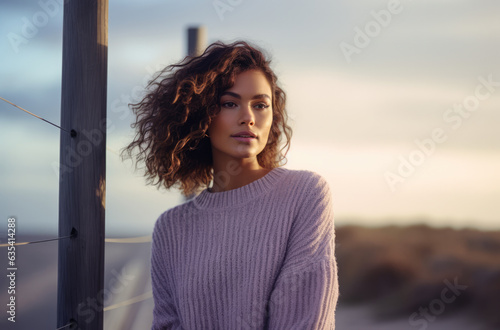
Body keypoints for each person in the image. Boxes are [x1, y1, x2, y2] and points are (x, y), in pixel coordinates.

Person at [122, 40, 339, 329]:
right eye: (230, 103)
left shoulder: (304, 194)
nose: (248, 118)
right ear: (200, 116)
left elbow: (305, 318)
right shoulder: (171, 228)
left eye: (260, 105)